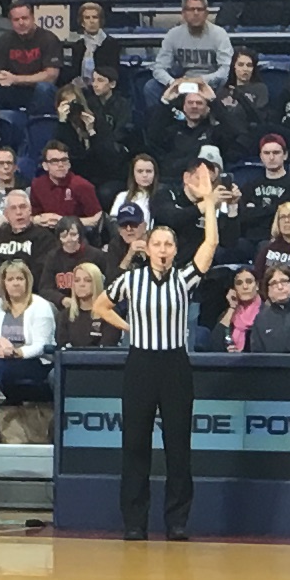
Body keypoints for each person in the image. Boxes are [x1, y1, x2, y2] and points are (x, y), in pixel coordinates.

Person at [97, 221, 200, 541]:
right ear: (147, 248)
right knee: (135, 444)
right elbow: (101, 306)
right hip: (141, 363)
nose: (163, 250)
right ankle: (134, 522)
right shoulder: (131, 279)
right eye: (157, 244)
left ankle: (177, 521)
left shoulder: (185, 278)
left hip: (175, 364)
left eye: (168, 245)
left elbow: (210, 244)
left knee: (178, 445)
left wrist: (209, 205)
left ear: (175, 250)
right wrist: (128, 327)